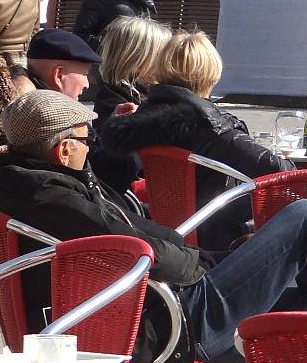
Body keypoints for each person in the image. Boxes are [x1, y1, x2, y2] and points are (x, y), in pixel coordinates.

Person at [0, 89, 307, 363]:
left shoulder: (33, 185)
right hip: (165, 323)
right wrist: (208, 264)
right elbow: (141, 249)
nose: (92, 146)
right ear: (64, 148)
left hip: (146, 309)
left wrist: (219, 257)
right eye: (87, 139)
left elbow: (142, 231)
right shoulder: (52, 198)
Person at [102, 30, 294, 250]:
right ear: (211, 73)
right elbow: (281, 170)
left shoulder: (138, 120)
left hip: (164, 237)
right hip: (219, 239)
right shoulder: (211, 126)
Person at [90, 16, 172, 193]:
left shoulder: (146, 93)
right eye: (162, 55)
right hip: (136, 192)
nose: (168, 62)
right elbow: (121, 166)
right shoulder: (115, 100)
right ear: (138, 61)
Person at [26, 28, 102, 99]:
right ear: (59, 75)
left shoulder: (23, 102)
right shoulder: (55, 108)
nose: (87, 85)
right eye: (84, 74)